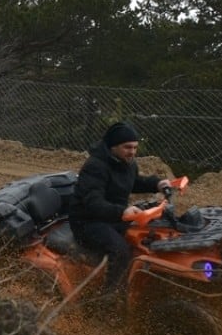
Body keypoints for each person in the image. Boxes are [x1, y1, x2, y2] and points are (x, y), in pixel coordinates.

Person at [69, 121, 170, 321]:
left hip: (112, 217)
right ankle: (107, 301)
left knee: (146, 239)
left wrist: (157, 183)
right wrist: (122, 211)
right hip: (88, 221)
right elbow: (93, 203)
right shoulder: (95, 166)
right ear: (113, 146)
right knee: (121, 250)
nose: (132, 152)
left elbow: (134, 182)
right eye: (127, 147)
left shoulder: (126, 163)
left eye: (134, 147)